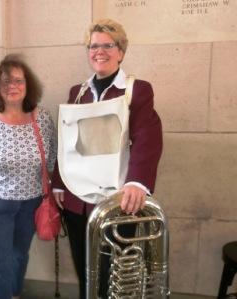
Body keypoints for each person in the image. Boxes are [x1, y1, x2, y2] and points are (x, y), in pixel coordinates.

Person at [52, 19, 163, 299]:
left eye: (107, 45)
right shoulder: (77, 93)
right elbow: (66, 143)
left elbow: (147, 137)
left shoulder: (136, 89)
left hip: (119, 198)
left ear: (121, 51)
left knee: (114, 267)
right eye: (93, 46)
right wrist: (58, 184)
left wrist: (138, 182)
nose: (99, 51)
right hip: (77, 198)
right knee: (84, 266)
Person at [0, 54, 57, 299]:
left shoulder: (42, 118)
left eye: (18, 81)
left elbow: (52, 158)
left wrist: (51, 193)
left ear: (28, 85)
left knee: (19, 256)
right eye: (6, 82)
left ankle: (14, 295)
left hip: (32, 204)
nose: (12, 86)